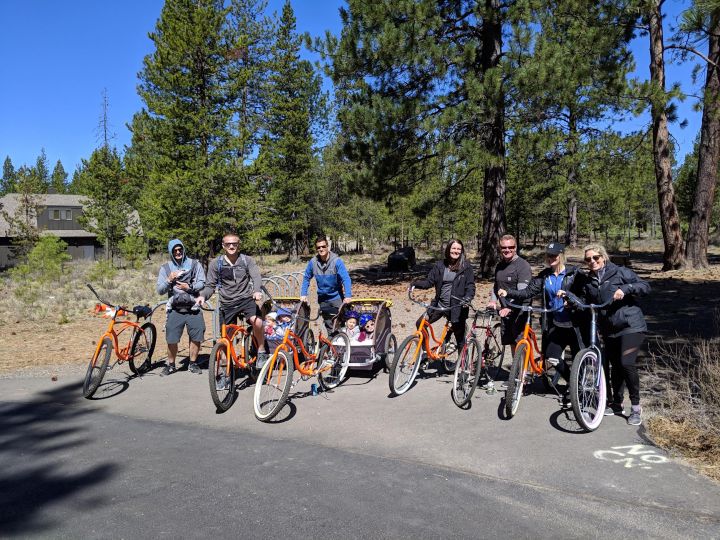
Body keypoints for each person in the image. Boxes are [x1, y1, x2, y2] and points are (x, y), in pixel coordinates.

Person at [564, 243, 650, 426]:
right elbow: (586, 303)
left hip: (631, 325)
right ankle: (616, 403)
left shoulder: (619, 272)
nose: (592, 261)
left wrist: (625, 289)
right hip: (609, 329)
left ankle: (636, 407)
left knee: (626, 363)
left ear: (603, 257)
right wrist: (570, 300)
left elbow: (644, 286)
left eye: (595, 257)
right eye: (588, 259)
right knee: (614, 366)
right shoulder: (589, 281)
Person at [497, 242, 580, 384]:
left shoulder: (574, 274)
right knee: (552, 357)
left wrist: (570, 298)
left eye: (554, 255)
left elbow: (583, 295)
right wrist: (508, 292)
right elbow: (528, 292)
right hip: (554, 322)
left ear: (561, 256)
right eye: (549, 255)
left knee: (578, 358)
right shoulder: (545, 276)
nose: (551, 258)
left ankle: (578, 389)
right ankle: (572, 383)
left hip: (573, 323)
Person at [196, 232, 268, 365]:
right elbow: (210, 285)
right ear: (223, 245)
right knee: (225, 339)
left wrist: (257, 291)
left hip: (246, 299)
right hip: (227, 303)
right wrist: (203, 296)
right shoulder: (216, 263)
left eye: (234, 244)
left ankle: (261, 351)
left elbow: (256, 277)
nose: (231, 246)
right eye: (228, 244)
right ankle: (225, 369)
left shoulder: (247, 260)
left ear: (238, 245)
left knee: (257, 322)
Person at [411, 239, 476, 366]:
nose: (456, 251)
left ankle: (463, 365)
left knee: (459, 337)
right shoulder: (440, 265)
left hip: (457, 307)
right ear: (448, 249)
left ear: (462, 251)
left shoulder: (466, 267)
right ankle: (425, 352)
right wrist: (415, 284)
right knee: (420, 323)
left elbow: (470, 286)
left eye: (458, 249)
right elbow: (429, 282)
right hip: (439, 305)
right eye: (453, 248)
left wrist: (468, 298)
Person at [156, 239, 206, 376]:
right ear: (171, 252)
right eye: (175, 250)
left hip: (193, 307)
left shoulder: (195, 264)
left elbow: (202, 283)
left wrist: (189, 287)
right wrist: (169, 280)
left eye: (180, 249)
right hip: (175, 308)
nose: (178, 252)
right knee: (171, 337)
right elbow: (160, 290)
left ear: (183, 249)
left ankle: (193, 363)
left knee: (196, 335)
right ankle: (171, 365)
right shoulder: (166, 268)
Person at [488, 234, 532, 351]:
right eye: (504, 247)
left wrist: (510, 307)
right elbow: (496, 285)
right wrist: (493, 301)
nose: (507, 250)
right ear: (500, 248)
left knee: (521, 346)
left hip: (520, 312)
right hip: (505, 312)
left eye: (510, 247)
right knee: (512, 344)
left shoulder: (522, 265)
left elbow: (522, 292)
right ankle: (515, 364)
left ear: (515, 247)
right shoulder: (500, 265)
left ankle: (523, 365)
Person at [300, 236, 353, 332]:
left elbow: (346, 278)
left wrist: (348, 295)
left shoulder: (337, 261)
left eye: (323, 246)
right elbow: (306, 278)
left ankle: (342, 339)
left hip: (336, 297)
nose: (321, 249)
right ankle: (331, 340)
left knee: (340, 322)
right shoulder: (313, 262)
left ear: (327, 246)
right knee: (328, 323)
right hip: (323, 298)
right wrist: (303, 294)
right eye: (318, 247)